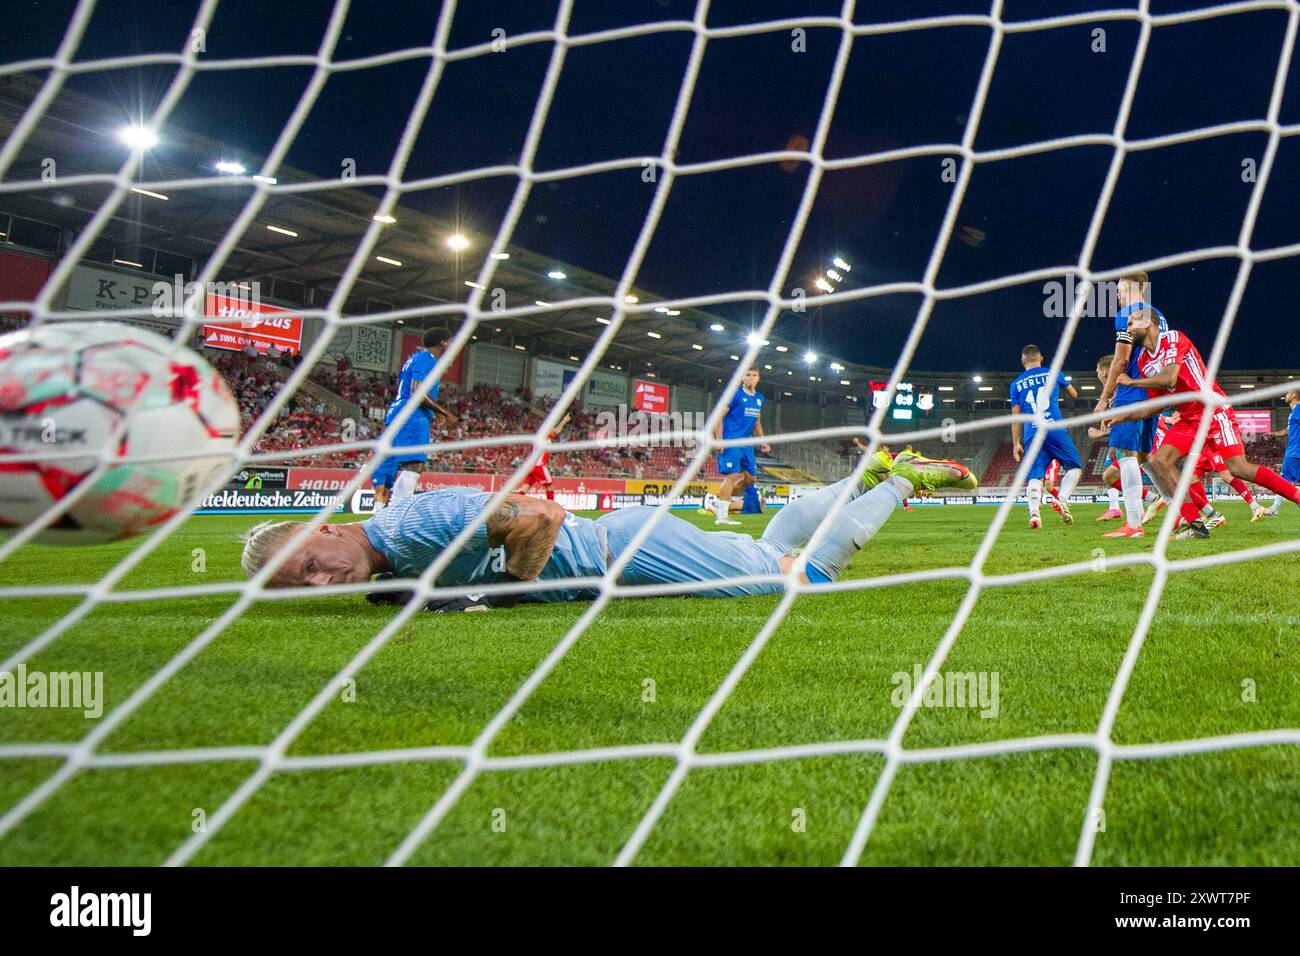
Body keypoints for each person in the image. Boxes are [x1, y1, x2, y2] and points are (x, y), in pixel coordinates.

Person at [239, 452, 977, 606]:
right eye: (300, 587)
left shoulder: (416, 522)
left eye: (308, 563)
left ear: (326, 527)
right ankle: (869, 473)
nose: (319, 581)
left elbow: (542, 515)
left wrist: (491, 593)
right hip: (628, 544)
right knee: (772, 547)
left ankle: (909, 478)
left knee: (800, 580)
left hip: (619, 551)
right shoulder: (395, 556)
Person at [1112, 315, 1300, 540]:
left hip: (1213, 409)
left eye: (1132, 322)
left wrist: (1130, 382)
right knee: (1160, 462)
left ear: (1148, 322)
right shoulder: (1143, 360)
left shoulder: (1173, 338)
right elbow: (1156, 405)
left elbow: (1170, 378)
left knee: (1238, 468)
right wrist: (1122, 417)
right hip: (1189, 418)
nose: (1128, 328)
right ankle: (1195, 524)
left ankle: (1297, 496)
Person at [1094, 273, 1168, 538]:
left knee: (1126, 455)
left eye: (1118, 288)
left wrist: (1105, 397)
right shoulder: (1158, 314)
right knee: (1146, 458)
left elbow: (1121, 360)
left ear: (1129, 288)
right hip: (1155, 390)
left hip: (1133, 388)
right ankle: (1180, 512)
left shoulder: (1127, 313)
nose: (1115, 293)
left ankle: (1134, 525)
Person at [371, 328, 457, 511]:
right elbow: (417, 393)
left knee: (407, 465)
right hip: (411, 415)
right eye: (450, 341)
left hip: (402, 414)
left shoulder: (416, 358)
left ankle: (387, 513)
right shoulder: (427, 359)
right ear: (443, 343)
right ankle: (396, 515)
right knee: (414, 465)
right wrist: (445, 412)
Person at [1009, 345, 1083, 529]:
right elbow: (1074, 394)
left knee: (1035, 476)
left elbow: (1016, 417)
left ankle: (1034, 515)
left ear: (1022, 360)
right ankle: (1062, 500)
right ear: (1041, 358)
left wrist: (1015, 443)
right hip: (1054, 428)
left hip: (1032, 433)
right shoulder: (1053, 373)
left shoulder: (1016, 384)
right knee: (1074, 467)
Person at [711, 367, 770, 526]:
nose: (751, 378)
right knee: (731, 476)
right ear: (742, 378)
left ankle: (718, 503)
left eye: (754, 375)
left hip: (747, 443)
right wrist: (719, 439)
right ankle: (722, 516)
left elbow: (757, 421)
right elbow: (719, 416)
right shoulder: (735, 394)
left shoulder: (759, 398)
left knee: (751, 478)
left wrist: (763, 440)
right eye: (748, 375)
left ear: (758, 378)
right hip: (732, 441)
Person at [1259, 388, 1299, 518]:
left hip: (1295, 452)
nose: (1286, 395)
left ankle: (1274, 509)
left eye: (1287, 393)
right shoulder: (1294, 412)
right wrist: (1273, 434)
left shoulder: (1298, 409)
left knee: (1283, 480)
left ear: (1293, 395)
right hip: (1295, 451)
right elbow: (1288, 430)